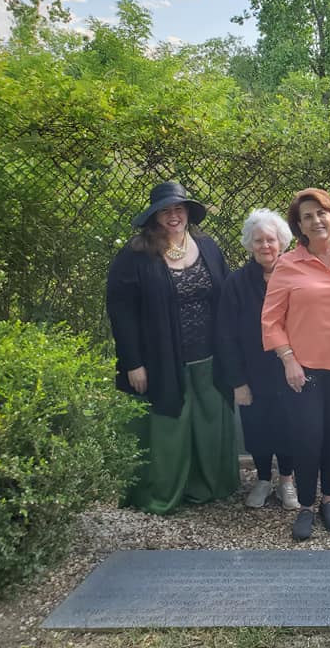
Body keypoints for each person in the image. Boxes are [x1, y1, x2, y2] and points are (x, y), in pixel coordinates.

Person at [106, 181, 239, 514]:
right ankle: (162, 493)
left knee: (209, 423)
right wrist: (133, 362)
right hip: (162, 360)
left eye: (178, 208)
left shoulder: (208, 247)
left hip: (209, 358)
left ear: (188, 213)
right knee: (170, 428)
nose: (173, 215)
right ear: (154, 216)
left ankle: (209, 485)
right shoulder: (135, 255)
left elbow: (226, 299)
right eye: (165, 210)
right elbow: (122, 315)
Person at [262, 188, 330, 541]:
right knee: (308, 435)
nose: (316, 220)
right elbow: (271, 320)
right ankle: (307, 506)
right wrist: (288, 360)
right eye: (307, 216)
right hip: (304, 367)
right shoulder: (288, 265)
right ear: (300, 226)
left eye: (321, 213)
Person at [216, 209, 300, 510]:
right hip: (252, 373)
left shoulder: (296, 276)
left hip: (292, 368)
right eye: (258, 240)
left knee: (290, 426)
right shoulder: (236, 283)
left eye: (271, 240)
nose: (265, 246)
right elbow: (225, 335)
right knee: (258, 428)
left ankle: (287, 480)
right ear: (250, 245)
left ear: (282, 243)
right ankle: (264, 479)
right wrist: (238, 382)